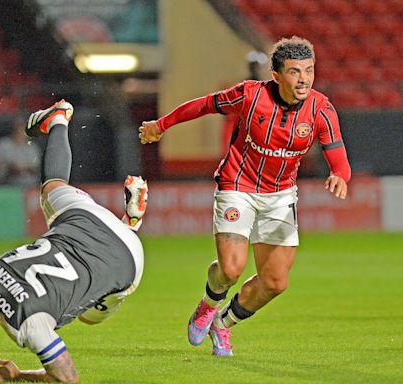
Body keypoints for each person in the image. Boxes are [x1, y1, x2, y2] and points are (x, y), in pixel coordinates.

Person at [138, 36, 351, 357]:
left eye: (309, 70)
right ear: (277, 76)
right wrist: (162, 124)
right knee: (232, 270)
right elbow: (204, 105)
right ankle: (209, 303)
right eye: (295, 72)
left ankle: (222, 326)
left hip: (280, 197)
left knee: (276, 282)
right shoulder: (250, 95)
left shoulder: (321, 110)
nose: (304, 79)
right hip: (238, 186)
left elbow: (339, 158)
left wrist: (340, 175)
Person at [0, 100, 149, 383]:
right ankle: (59, 119)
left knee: (89, 316)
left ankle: (131, 227)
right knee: (52, 186)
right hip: (87, 218)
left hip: (128, 258)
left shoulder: (29, 325)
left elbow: (68, 378)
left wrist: (17, 375)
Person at [0, 116, 41, 187]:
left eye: (22, 130)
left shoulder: (32, 147)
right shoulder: (2, 144)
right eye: (17, 129)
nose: (20, 132)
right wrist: (9, 165)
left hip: (27, 182)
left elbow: (36, 165)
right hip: (6, 180)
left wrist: (22, 168)